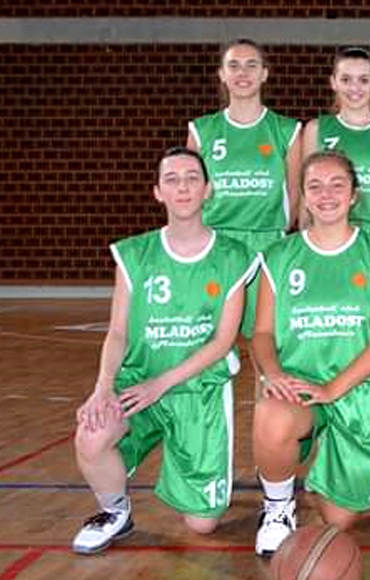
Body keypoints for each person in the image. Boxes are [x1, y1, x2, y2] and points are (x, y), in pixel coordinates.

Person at [72, 147, 255, 554]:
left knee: (202, 525)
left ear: (208, 189)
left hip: (197, 390)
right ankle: (115, 511)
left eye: (192, 178)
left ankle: (186, 475)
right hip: (138, 383)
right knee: (92, 434)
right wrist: (103, 387)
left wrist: (162, 384)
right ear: (157, 192)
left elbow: (222, 342)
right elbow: (118, 332)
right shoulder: (135, 255)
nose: (183, 187)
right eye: (171, 179)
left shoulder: (233, 256)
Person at [251, 150, 370, 556]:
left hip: (356, 391)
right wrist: (273, 374)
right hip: (299, 384)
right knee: (271, 414)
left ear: (354, 195)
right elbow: (262, 333)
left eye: (337, 185)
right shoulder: (279, 256)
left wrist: (333, 389)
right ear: (302, 196)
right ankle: (278, 508)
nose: (326, 194)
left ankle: (326, 467)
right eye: (314, 186)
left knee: (338, 519)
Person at [302, 46, 370, 490]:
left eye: (363, 79)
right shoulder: (317, 130)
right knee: (328, 345)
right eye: (346, 78)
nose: (354, 87)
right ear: (333, 82)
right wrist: (306, 253)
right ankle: (325, 446)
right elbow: (307, 195)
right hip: (330, 248)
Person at [186, 38, 302, 338]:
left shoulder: (287, 130)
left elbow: (296, 194)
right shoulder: (202, 130)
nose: (243, 73)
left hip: (267, 243)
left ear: (264, 73)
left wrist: (277, 234)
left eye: (252, 65)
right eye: (234, 65)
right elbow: (189, 194)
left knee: (264, 341)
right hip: (216, 243)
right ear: (222, 74)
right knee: (206, 340)